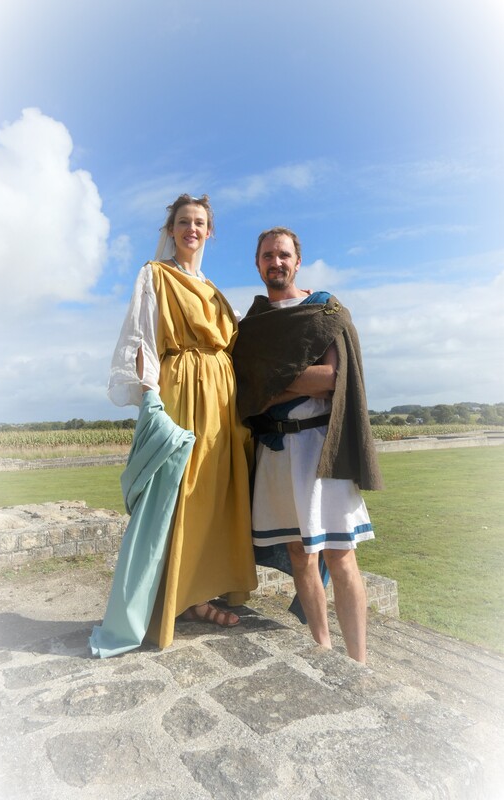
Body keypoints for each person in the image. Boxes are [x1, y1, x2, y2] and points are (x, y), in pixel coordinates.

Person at [89, 194, 257, 658]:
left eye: (200, 222)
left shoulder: (217, 290)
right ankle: (172, 598)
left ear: (210, 231)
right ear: (171, 229)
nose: (192, 229)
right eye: (184, 222)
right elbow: (141, 337)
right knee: (178, 493)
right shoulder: (155, 275)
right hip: (182, 390)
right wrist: (150, 401)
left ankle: (200, 592)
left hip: (222, 401)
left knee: (213, 493)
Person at [232, 227, 383, 663]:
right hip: (277, 452)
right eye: (267, 256)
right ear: (257, 264)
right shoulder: (253, 327)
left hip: (322, 447)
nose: (275, 263)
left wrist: (268, 386)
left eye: (283, 255)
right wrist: (277, 386)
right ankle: (322, 649)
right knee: (300, 555)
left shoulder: (325, 311)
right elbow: (244, 389)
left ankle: (358, 661)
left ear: (298, 262)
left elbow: (332, 380)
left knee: (341, 556)